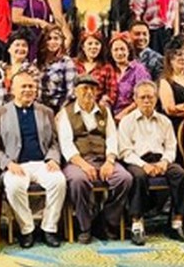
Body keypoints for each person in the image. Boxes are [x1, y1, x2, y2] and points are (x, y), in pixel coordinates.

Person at [0, 71, 66, 248]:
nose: (28, 90)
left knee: (59, 181)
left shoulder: (46, 112)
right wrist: (8, 163)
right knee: (14, 186)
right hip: (16, 164)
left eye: (31, 86)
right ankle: (27, 230)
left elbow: (54, 142)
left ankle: (49, 228)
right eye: (23, 86)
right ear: (12, 90)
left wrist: (53, 159)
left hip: (42, 163)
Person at [56, 75, 131, 244]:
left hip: (103, 159)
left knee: (124, 179)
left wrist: (110, 161)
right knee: (77, 180)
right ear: (75, 91)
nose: (89, 92)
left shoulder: (104, 111)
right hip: (78, 160)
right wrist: (83, 165)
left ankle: (106, 221)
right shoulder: (66, 113)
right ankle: (85, 226)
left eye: (92, 89)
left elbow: (112, 138)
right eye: (84, 89)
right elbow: (66, 144)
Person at [118, 81, 184, 245]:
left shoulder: (164, 121)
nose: (147, 101)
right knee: (137, 177)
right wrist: (143, 165)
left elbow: (171, 147)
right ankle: (137, 224)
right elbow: (125, 151)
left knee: (181, 175)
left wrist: (165, 162)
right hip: (137, 161)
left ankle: (176, 223)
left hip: (161, 160)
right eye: (143, 97)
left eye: (150, 97)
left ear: (156, 99)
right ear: (135, 99)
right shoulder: (127, 121)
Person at [109, 33, 151, 121]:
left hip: (133, 116)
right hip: (109, 116)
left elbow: (143, 96)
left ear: (128, 50)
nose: (119, 53)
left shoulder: (138, 69)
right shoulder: (108, 69)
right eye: (115, 50)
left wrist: (124, 114)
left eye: (122, 49)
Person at [74, 31, 118, 108]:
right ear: (83, 47)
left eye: (97, 44)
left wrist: (104, 102)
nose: (93, 47)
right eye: (90, 43)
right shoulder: (74, 64)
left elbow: (112, 93)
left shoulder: (107, 67)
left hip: (97, 107)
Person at [37, 25, 76, 111]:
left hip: (59, 107)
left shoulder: (66, 62)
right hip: (39, 108)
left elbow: (71, 92)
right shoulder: (37, 62)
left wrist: (62, 112)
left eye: (56, 38)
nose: (53, 42)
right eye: (49, 39)